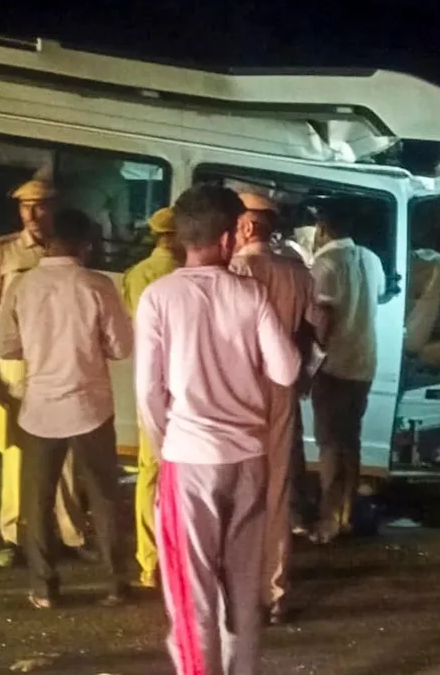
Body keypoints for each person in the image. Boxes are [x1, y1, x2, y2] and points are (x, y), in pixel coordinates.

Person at [135, 184, 300, 675]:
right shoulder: (250, 294)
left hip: (189, 459)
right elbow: (287, 370)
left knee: (192, 597)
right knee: (242, 592)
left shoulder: (158, 297)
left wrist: (167, 445)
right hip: (249, 459)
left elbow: (148, 392)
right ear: (229, 237)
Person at [0, 207, 132, 608]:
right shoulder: (98, 285)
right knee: (104, 495)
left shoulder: (22, 286)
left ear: (48, 240)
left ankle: (44, 587)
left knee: (37, 498)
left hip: (39, 408)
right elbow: (121, 348)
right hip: (91, 407)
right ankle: (115, 583)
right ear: (85, 244)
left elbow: (6, 346)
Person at [0, 179, 90, 568]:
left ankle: (71, 534)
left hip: (57, 357)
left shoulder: (66, 249)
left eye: (41, 207)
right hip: (16, 361)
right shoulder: (3, 250)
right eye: (26, 208)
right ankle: (14, 536)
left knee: (68, 448)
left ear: (54, 208)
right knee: (17, 450)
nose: (34, 215)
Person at [228, 192, 322, 625]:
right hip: (282, 392)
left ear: (245, 227)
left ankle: (238, 590)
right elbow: (318, 334)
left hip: (238, 391)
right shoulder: (298, 272)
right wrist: (302, 376)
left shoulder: (235, 271)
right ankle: (275, 591)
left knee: (237, 491)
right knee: (278, 490)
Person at [308, 205, 385, 544]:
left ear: (323, 229)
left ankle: (328, 522)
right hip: (364, 365)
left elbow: (323, 321)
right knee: (350, 443)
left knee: (329, 445)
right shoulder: (371, 260)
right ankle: (348, 513)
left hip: (334, 366)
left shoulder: (325, 264)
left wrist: (311, 362)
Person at [121, 206, 182, 589]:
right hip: (185, 387)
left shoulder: (134, 276)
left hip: (149, 383)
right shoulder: (184, 278)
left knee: (149, 474)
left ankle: (149, 561)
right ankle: (179, 557)